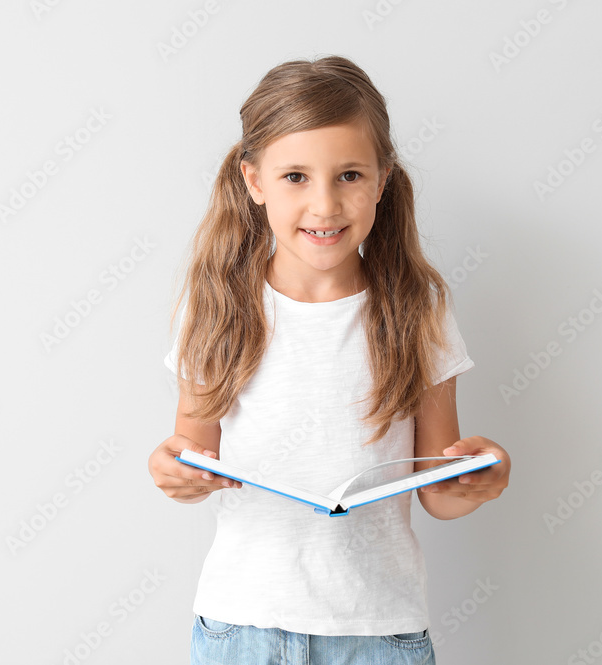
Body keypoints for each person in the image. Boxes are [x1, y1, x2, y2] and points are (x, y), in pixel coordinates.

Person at [148, 54, 510, 665]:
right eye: (295, 177)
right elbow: (189, 455)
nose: (325, 205)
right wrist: (171, 471)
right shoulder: (216, 306)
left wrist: (480, 478)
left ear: (383, 179)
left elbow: (439, 493)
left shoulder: (416, 312)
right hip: (242, 625)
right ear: (254, 180)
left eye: (349, 176)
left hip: (378, 632)